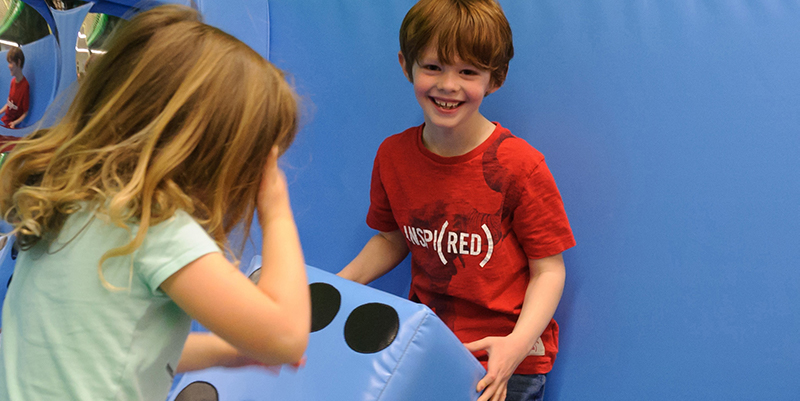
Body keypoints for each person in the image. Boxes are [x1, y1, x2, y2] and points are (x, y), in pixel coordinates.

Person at [0, 5, 310, 400]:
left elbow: (106, 349)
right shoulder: (154, 227)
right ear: (212, 154)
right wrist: (276, 207)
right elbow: (286, 336)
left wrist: (225, 351)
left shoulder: (74, 204)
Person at [337, 1, 575, 400]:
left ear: (494, 78)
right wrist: (333, 288)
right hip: (425, 346)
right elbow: (390, 239)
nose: (449, 85)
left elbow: (549, 271)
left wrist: (515, 347)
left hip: (506, 361)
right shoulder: (393, 156)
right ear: (405, 65)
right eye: (433, 67)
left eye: (468, 72)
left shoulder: (521, 166)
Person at [0, 47, 29, 129]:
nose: (9, 66)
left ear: (18, 62)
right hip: (4, 120)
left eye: (11, 63)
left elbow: (25, 112)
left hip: (10, 126)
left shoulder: (25, 86)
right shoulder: (12, 82)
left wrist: (14, 123)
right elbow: (9, 104)